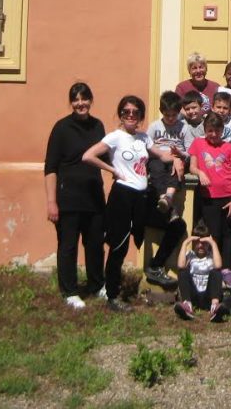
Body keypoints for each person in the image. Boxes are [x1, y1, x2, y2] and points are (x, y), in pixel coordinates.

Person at [82, 95, 159, 311]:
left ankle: (119, 289)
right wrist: (113, 170)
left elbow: (161, 155)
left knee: (138, 237)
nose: (131, 116)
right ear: (121, 114)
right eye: (126, 112)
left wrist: (180, 160)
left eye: (135, 112)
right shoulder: (115, 137)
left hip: (141, 197)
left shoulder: (144, 138)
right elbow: (88, 156)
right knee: (119, 245)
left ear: (141, 116)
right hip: (122, 195)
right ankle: (112, 295)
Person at [44, 81, 106, 309]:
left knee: (95, 244)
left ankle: (97, 285)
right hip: (68, 199)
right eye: (76, 99)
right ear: (71, 103)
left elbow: (106, 158)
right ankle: (69, 291)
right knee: (68, 246)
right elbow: (50, 168)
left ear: (91, 100)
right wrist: (51, 202)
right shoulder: (61, 128)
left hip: (94, 197)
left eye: (84, 99)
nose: (81, 104)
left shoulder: (98, 126)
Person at [142, 91, 189, 289]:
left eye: (174, 115)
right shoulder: (154, 127)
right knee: (158, 166)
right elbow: (147, 149)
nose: (171, 119)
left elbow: (188, 152)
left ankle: (168, 198)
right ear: (161, 112)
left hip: (173, 163)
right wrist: (161, 156)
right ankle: (166, 199)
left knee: (178, 226)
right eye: (167, 115)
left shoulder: (183, 127)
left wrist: (179, 157)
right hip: (152, 186)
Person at [189, 112, 231, 272]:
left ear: (222, 130)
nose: (213, 134)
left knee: (227, 234)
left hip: (227, 197)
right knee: (212, 233)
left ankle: (226, 268)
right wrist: (200, 173)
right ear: (205, 129)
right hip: (208, 198)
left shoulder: (229, 147)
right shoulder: (198, 143)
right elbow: (192, 166)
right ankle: (212, 266)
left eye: (217, 131)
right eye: (210, 130)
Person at [174, 222, 227, 322]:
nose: (200, 246)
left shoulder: (211, 256)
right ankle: (187, 306)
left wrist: (213, 243)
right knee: (182, 271)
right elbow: (180, 266)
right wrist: (185, 243)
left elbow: (219, 265)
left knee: (216, 271)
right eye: (197, 242)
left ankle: (214, 307)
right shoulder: (190, 255)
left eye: (204, 243)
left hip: (208, 296)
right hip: (193, 296)